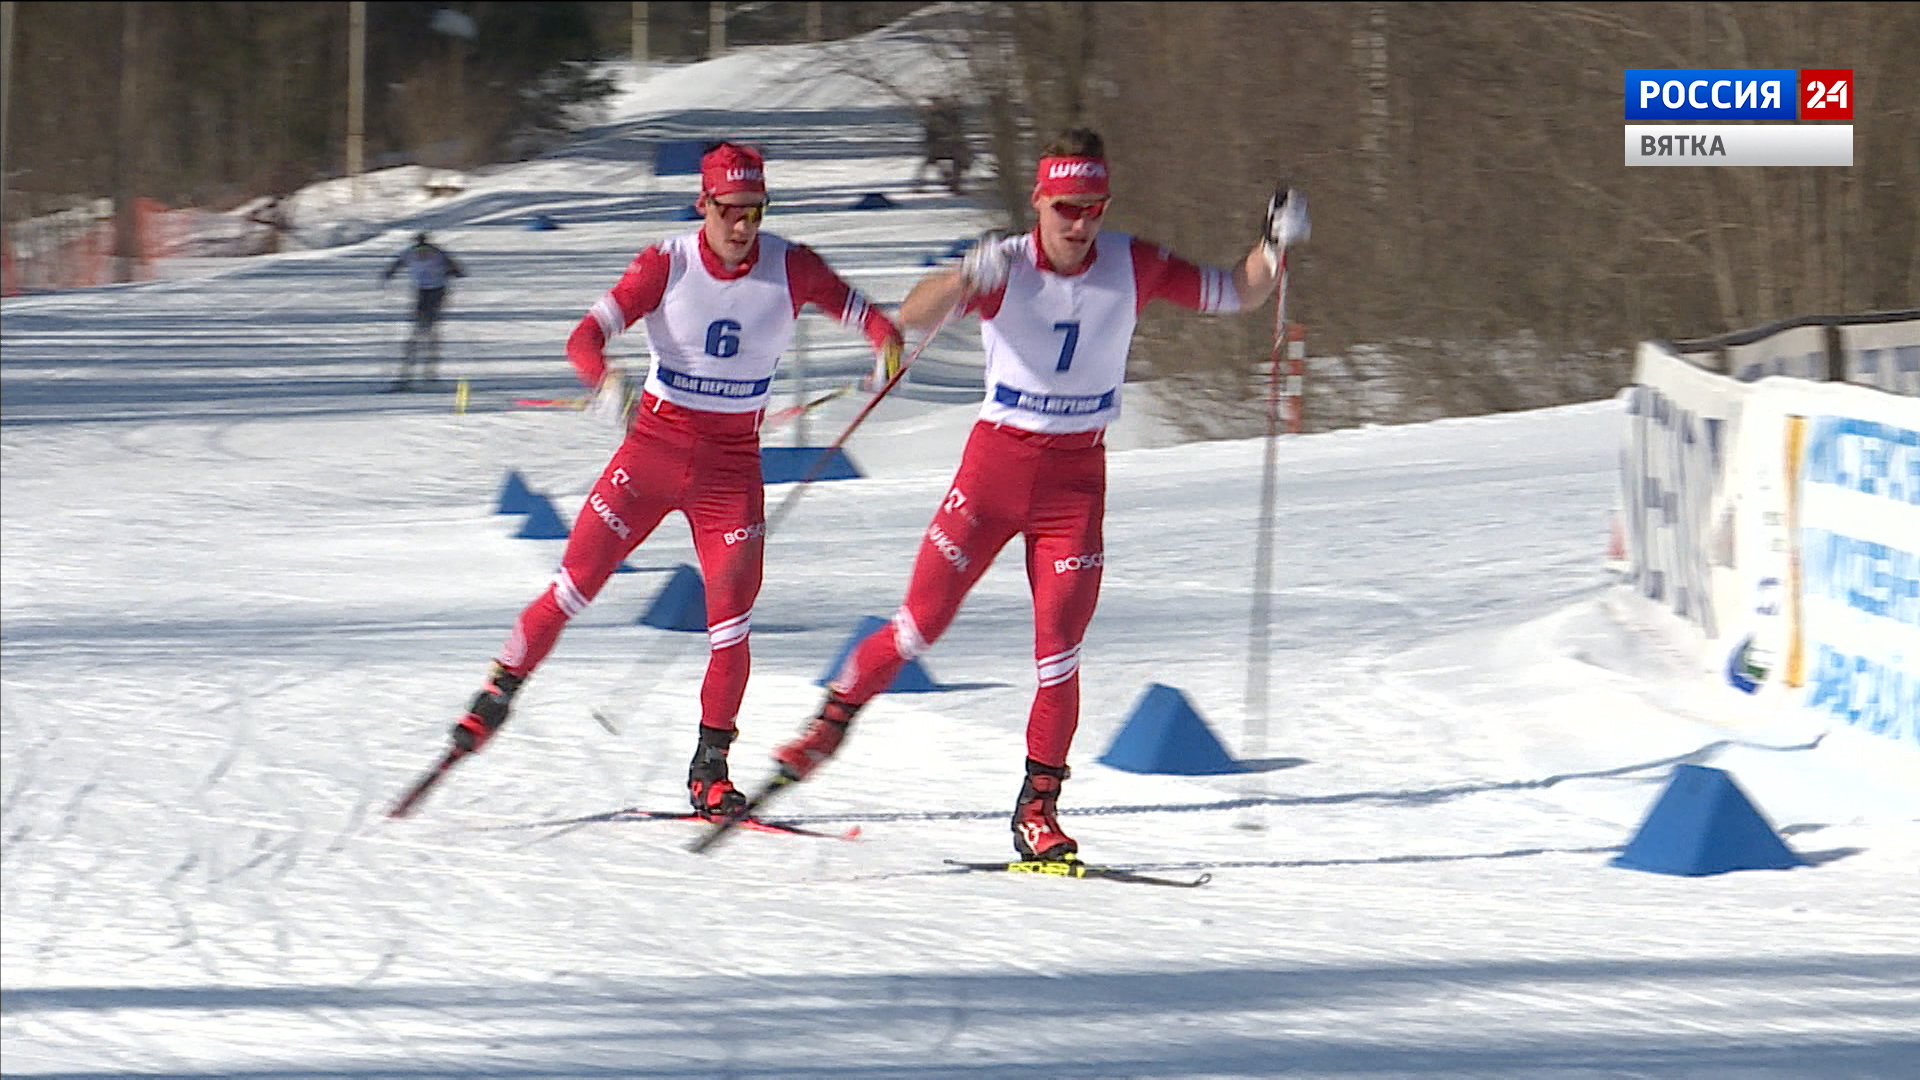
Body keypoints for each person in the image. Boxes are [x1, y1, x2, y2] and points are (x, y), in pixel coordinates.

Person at [765, 128, 1309, 860]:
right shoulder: (1007, 266)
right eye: (1064, 209)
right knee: (919, 627)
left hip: (1074, 485)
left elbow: (1236, 291)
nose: (1078, 225)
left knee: (1059, 655)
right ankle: (827, 726)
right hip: (994, 473)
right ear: (1039, 203)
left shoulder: (1132, 263)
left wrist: (1273, 244)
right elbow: (909, 316)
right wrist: (965, 275)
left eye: (1092, 209)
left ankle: (1038, 809)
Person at [443, 142, 906, 819]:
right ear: (703, 205)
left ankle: (710, 768)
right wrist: (605, 381)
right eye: (730, 211)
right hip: (652, 454)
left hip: (730, 470)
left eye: (755, 211)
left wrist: (886, 346)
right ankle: (496, 695)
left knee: (732, 626)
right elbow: (583, 339)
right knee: (574, 585)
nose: (742, 226)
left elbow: (873, 321)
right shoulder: (667, 262)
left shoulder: (792, 264)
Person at [380, 232, 465, 390]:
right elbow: (459, 270)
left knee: (423, 329)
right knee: (424, 329)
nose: (422, 252)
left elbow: (458, 270)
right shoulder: (430, 252)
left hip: (435, 292)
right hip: (427, 291)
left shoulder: (424, 253)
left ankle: (422, 369)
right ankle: (425, 369)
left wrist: (388, 275)